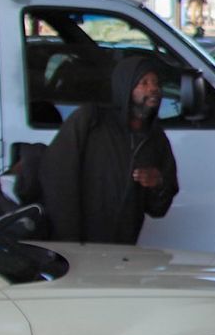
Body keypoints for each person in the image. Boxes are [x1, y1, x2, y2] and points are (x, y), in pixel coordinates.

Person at [38, 55, 178, 244]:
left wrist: (158, 184)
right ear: (125, 87)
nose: (153, 89)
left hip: (120, 251)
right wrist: (69, 238)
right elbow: (56, 176)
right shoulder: (91, 121)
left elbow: (158, 209)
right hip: (75, 247)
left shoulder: (156, 139)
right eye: (144, 83)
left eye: (156, 83)